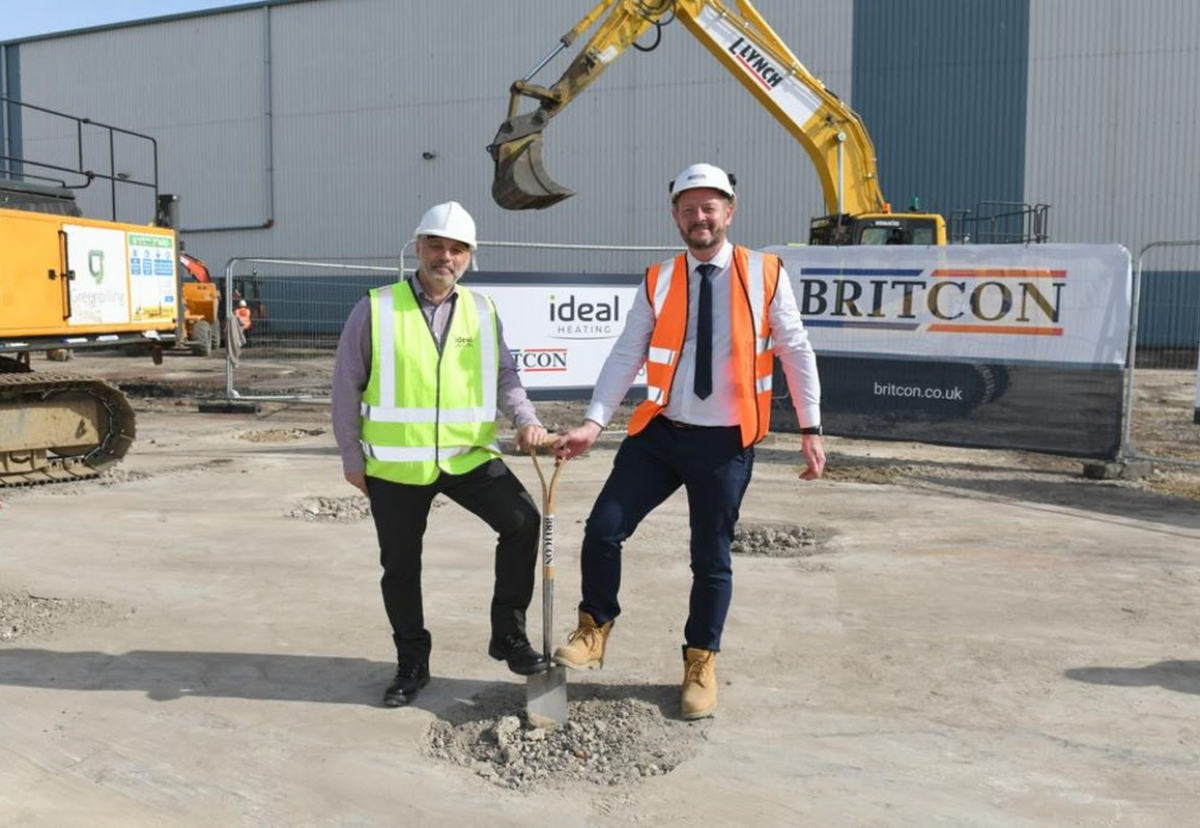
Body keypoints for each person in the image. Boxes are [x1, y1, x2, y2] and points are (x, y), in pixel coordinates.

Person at [550, 163, 825, 720]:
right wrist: (594, 423)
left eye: (709, 207)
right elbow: (628, 352)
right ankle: (594, 628)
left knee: (710, 558)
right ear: (674, 215)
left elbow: (795, 350)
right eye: (687, 208)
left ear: (729, 211)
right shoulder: (660, 278)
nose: (699, 218)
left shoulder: (766, 273)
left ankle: (700, 661)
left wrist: (810, 426)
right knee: (603, 529)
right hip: (659, 434)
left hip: (725, 442)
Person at [331, 200, 551, 707]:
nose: (445, 257)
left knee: (522, 522)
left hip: (467, 456)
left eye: (457, 249)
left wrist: (528, 421)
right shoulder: (376, 307)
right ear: (418, 247)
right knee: (402, 567)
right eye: (436, 245)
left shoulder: (482, 310)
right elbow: (346, 385)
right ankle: (412, 661)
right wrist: (351, 456)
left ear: (469, 257)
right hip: (397, 465)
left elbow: (504, 376)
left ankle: (507, 634)